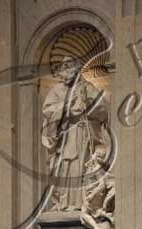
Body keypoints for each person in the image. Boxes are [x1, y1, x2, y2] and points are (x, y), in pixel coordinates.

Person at [42, 56, 109, 211]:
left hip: (82, 134)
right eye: (65, 67)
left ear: (77, 69)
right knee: (64, 167)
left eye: (70, 66)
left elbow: (102, 108)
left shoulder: (87, 88)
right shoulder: (56, 90)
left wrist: (88, 106)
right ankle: (63, 203)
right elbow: (48, 110)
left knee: (81, 167)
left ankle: (81, 204)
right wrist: (68, 108)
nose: (68, 70)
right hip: (64, 136)